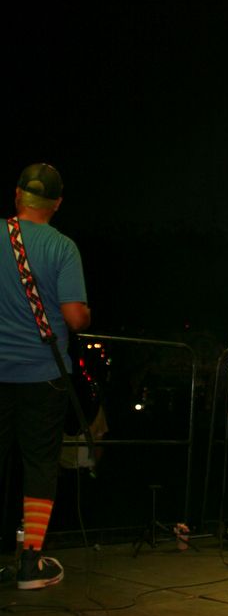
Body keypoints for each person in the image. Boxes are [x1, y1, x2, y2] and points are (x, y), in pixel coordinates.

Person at [0, 163, 90, 589]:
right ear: (57, 204)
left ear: (18, 195)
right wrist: (85, 313)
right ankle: (30, 563)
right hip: (42, 375)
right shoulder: (62, 248)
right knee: (39, 466)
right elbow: (74, 317)